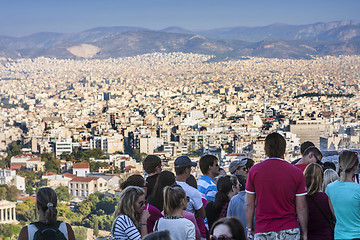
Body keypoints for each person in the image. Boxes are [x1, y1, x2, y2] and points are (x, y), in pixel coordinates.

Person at [246, 132, 308, 240]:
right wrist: (305, 232)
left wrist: (250, 229)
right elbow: (301, 207)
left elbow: (249, 204)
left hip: (263, 229)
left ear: (265, 149)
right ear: (284, 149)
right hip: (289, 229)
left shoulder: (254, 171)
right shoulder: (296, 173)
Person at [325, 150, 360, 240]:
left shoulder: (330, 188)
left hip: (339, 235)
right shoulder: (357, 189)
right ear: (355, 167)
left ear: (340, 165)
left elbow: (335, 215)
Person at [304, 163, 334, 240]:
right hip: (325, 236)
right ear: (322, 178)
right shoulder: (326, 198)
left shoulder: (301, 199)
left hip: (308, 236)